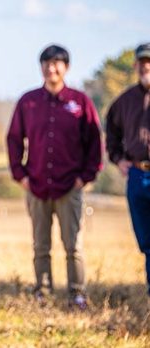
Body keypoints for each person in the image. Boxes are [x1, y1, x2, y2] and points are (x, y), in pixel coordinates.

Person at [7, 44, 102, 309]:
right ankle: (42, 292)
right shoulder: (29, 102)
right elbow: (14, 139)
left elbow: (94, 141)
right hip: (36, 185)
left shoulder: (80, 101)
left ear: (66, 67)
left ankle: (77, 293)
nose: (52, 68)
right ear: (41, 68)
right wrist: (20, 174)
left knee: (73, 245)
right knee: (41, 245)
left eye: (57, 63)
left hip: (70, 185)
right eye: (47, 63)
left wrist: (86, 176)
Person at [106, 43, 150, 295]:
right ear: (135, 65)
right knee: (146, 240)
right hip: (137, 174)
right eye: (142, 62)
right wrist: (118, 159)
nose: (146, 66)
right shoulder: (123, 102)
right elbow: (111, 134)